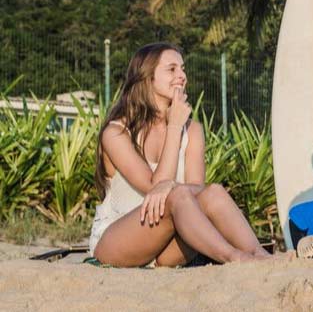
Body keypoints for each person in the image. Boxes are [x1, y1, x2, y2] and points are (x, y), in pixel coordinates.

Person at [89, 42, 274, 267]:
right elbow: (155, 186)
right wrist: (174, 125)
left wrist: (177, 186)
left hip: (167, 248)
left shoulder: (193, 130)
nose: (182, 76)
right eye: (172, 69)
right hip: (119, 242)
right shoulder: (116, 133)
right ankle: (234, 257)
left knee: (213, 192)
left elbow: (198, 190)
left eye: (183, 68)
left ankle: (260, 255)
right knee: (176, 195)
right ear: (147, 77)